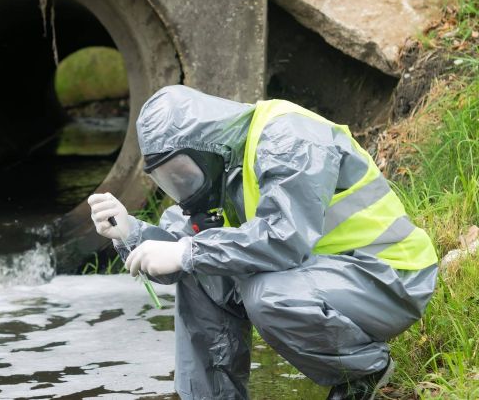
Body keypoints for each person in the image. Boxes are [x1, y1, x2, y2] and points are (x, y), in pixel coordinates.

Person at [88, 85, 438, 400]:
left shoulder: (289, 137)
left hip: (387, 276)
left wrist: (186, 252)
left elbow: (285, 240)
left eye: (180, 172)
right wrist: (131, 232)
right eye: (167, 179)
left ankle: (361, 374)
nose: (179, 186)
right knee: (198, 269)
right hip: (326, 279)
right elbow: (178, 263)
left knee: (263, 291)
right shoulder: (220, 173)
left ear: (203, 145)